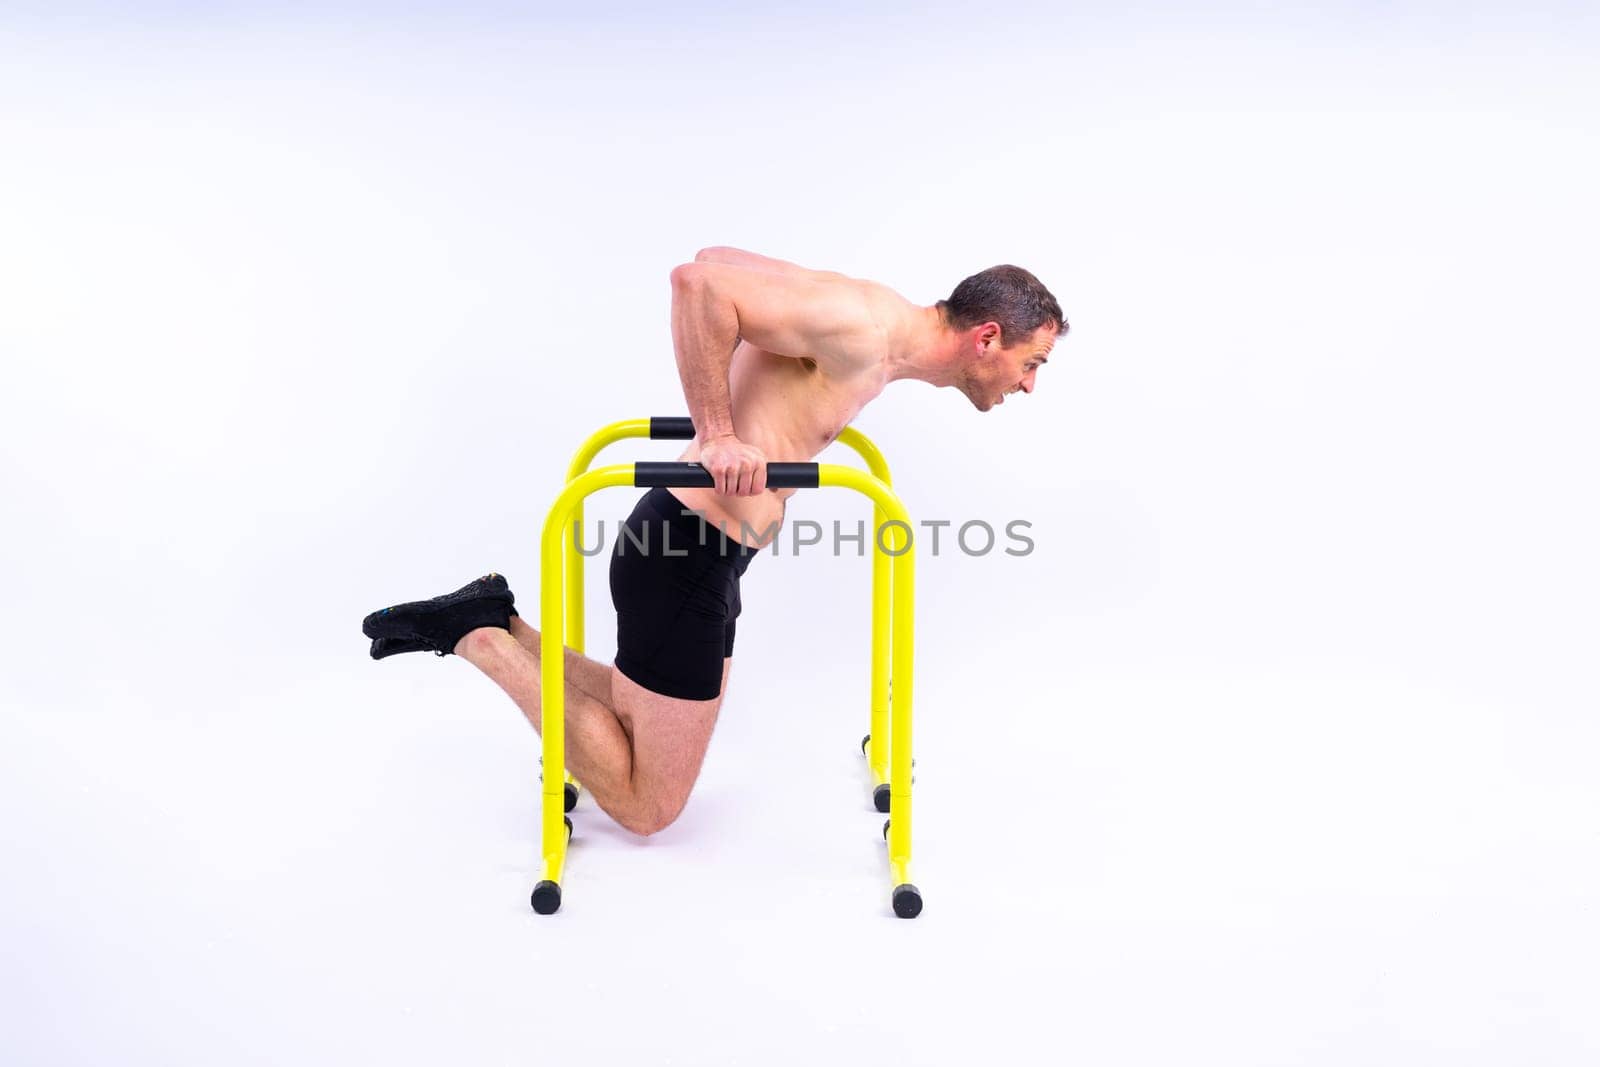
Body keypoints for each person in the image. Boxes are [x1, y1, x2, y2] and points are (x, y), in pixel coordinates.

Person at [362, 248, 1066, 835]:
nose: (1029, 385)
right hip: (685, 557)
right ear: (988, 338)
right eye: (1031, 362)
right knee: (648, 806)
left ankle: (500, 618)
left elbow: (717, 262)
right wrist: (719, 434)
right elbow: (699, 281)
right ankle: (476, 638)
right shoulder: (863, 325)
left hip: (701, 554)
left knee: (641, 712)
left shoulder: (879, 328)